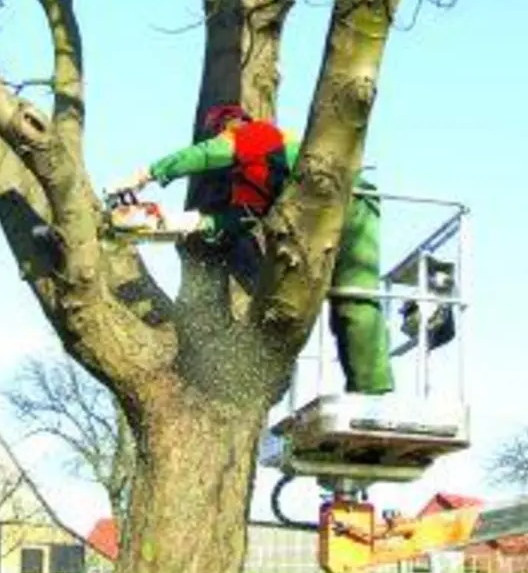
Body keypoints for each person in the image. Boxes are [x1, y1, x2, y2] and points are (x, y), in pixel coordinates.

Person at [110, 104, 394, 395]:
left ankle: (375, 392)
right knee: (346, 301)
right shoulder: (255, 175)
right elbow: (236, 221)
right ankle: (368, 392)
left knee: (355, 297)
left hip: (349, 200)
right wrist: (173, 222)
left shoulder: (256, 134)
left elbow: (204, 154)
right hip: (323, 215)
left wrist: (147, 174)